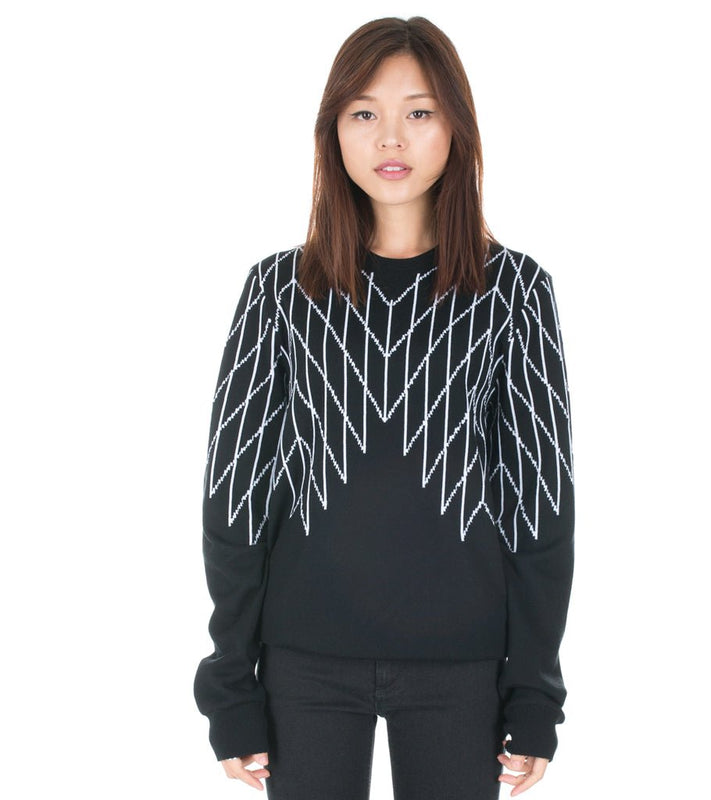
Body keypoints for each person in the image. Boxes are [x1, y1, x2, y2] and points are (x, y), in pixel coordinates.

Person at [193, 15, 575, 800]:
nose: (390, 138)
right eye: (364, 112)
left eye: (419, 111)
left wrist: (535, 690)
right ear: (333, 130)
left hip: (462, 669)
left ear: (456, 127)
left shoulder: (515, 293)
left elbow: (540, 504)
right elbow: (237, 497)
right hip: (302, 666)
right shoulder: (278, 292)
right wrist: (230, 684)